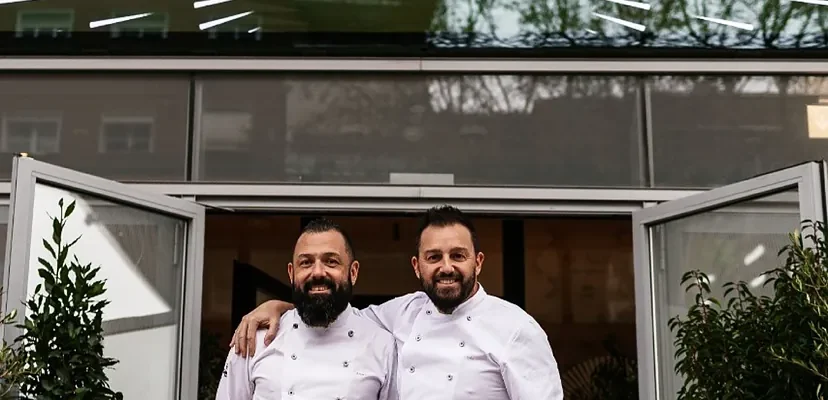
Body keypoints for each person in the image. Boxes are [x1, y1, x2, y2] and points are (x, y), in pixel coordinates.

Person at [230, 205, 564, 399]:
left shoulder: (516, 329)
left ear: (478, 262)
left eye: (457, 255)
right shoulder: (401, 314)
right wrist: (279, 306)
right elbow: (334, 309)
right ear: (417, 266)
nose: (446, 267)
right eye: (434, 256)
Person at [216, 218, 398, 400]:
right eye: (306, 263)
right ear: (291, 273)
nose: (318, 272)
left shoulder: (382, 345)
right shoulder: (254, 340)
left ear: (353, 272)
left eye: (331, 262)